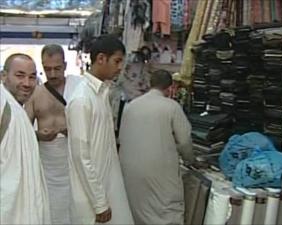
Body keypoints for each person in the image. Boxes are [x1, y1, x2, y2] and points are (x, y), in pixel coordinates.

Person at [65, 35, 134, 224]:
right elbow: (81, 156)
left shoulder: (102, 94)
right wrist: (99, 202)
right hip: (90, 198)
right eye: (117, 61)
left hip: (107, 186)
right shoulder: (82, 99)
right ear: (101, 59)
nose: (120, 67)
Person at [119, 69, 195, 225]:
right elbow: (185, 141)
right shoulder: (171, 107)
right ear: (170, 87)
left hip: (130, 171)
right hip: (159, 173)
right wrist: (190, 160)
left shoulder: (131, 106)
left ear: (149, 84)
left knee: (139, 210)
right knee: (166, 212)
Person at [25, 44, 82, 224]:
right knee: (48, 204)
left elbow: (91, 125)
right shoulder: (35, 94)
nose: (52, 74)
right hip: (47, 161)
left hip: (72, 158)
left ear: (65, 66)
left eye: (57, 68)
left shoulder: (79, 90)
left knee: (74, 203)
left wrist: (73, 130)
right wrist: (39, 135)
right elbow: (24, 131)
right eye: (47, 69)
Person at [0, 53, 51, 224]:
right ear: (4, 76)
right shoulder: (2, 104)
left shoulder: (16, 109)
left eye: (32, 77)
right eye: (20, 75)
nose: (27, 83)